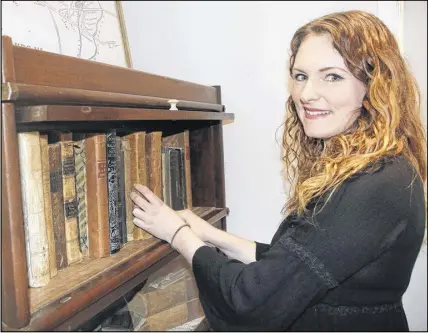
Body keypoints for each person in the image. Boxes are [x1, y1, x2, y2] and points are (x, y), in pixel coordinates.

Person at [129, 10, 427, 331]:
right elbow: (293, 266)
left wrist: (179, 235)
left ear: (376, 85)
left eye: (332, 76)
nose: (306, 93)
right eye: (301, 76)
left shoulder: (374, 182)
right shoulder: (373, 167)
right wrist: (207, 233)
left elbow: (252, 301)